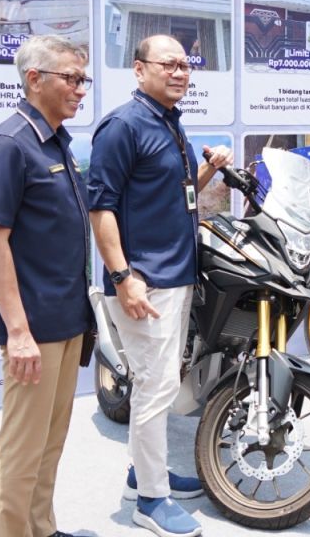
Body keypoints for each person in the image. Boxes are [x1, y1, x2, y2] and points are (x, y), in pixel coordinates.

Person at [87, 34, 232, 536]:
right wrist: (124, 277)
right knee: (154, 389)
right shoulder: (122, 126)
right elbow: (100, 207)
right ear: (138, 69)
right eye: (168, 64)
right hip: (145, 283)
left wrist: (209, 169)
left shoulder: (169, 122)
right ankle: (149, 502)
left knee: (162, 383)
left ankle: (140, 474)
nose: (180, 72)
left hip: (175, 275)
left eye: (186, 65)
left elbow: (178, 188)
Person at [0, 34, 94, 537]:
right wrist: (18, 332)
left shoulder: (57, 142)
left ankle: (41, 528)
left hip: (67, 322)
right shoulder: (9, 145)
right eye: (71, 78)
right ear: (34, 79)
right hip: (34, 331)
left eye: (82, 79)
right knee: (21, 450)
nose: (80, 89)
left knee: (50, 442)